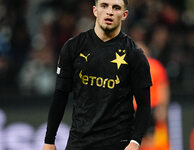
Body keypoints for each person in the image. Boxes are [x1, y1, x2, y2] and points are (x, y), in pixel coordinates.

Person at [42, 0, 152, 150]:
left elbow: (144, 104)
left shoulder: (135, 54)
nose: (110, 12)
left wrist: (135, 141)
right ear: (95, 10)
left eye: (116, 8)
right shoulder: (73, 47)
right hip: (80, 142)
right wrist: (49, 140)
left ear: (124, 14)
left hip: (118, 143)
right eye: (104, 5)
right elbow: (60, 96)